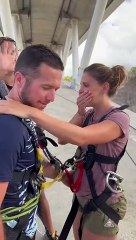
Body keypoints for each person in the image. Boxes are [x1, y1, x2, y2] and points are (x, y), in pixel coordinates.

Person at [0, 63, 130, 240]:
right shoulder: (90, 115)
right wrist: (81, 112)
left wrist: (29, 112)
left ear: (104, 87)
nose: (80, 90)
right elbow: (63, 139)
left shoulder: (118, 119)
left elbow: (81, 137)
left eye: (85, 85)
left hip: (102, 201)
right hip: (83, 196)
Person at [0, 44, 63, 240]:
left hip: (25, 229)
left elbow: (24, 169)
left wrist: (47, 167)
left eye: (56, 89)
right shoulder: (9, 129)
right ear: (19, 80)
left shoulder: (27, 119)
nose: (52, 97)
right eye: (46, 87)